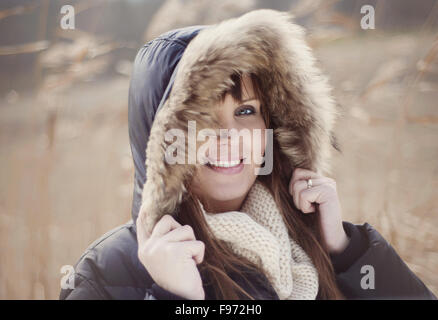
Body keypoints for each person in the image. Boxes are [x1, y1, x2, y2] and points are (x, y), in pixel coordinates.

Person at [59, 9, 436, 300]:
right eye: (203, 117)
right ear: (161, 143)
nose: (230, 137)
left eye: (245, 111)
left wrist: (347, 252)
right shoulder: (109, 272)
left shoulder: (316, 241)